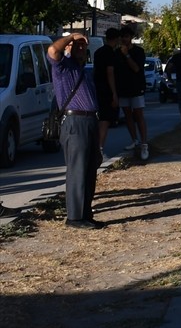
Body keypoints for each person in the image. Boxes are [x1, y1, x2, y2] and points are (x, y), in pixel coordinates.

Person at [46, 32, 105, 229]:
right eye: (77, 45)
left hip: (89, 122)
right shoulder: (63, 66)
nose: (81, 48)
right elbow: (53, 50)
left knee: (89, 169)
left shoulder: (83, 70)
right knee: (78, 170)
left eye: (84, 46)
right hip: (74, 121)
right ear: (69, 47)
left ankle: (85, 213)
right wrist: (72, 36)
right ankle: (74, 217)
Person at [113, 25, 150, 160]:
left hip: (136, 88)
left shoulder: (139, 51)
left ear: (131, 38)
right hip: (123, 88)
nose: (124, 39)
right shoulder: (116, 53)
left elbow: (136, 69)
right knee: (127, 115)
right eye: (122, 37)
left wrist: (127, 55)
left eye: (126, 37)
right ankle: (134, 139)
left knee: (138, 115)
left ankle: (144, 143)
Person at [92, 27, 122, 158]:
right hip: (107, 89)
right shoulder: (111, 53)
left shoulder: (98, 52)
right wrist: (114, 93)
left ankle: (97, 147)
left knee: (100, 119)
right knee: (105, 120)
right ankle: (99, 149)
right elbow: (110, 72)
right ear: (116, 39)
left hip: (98, 87)